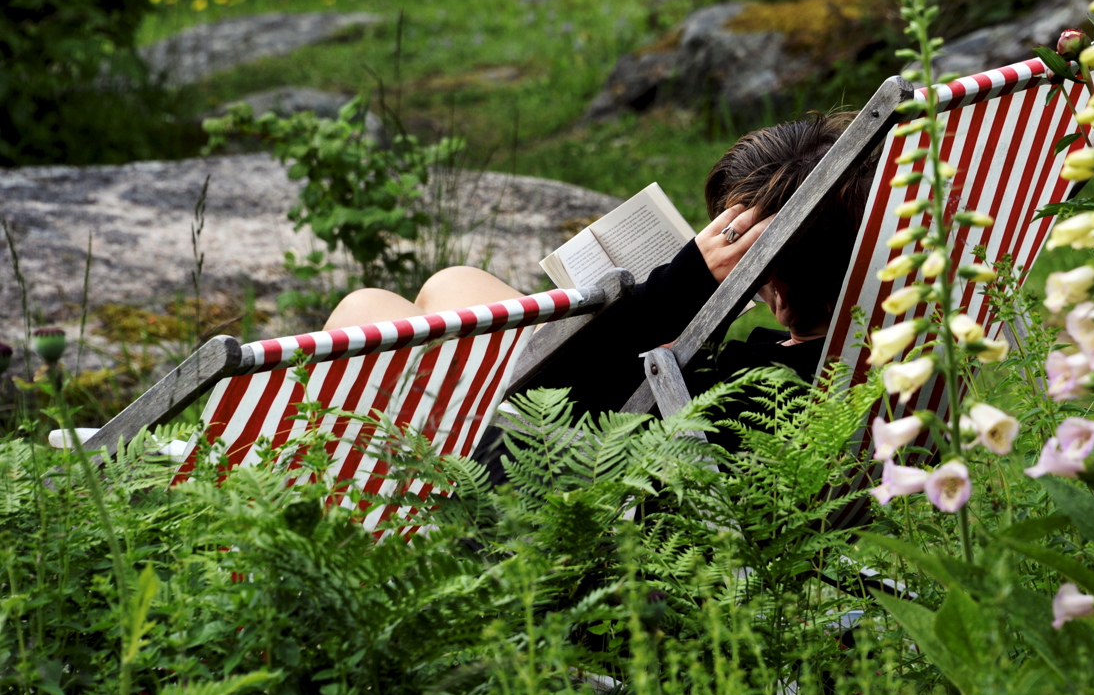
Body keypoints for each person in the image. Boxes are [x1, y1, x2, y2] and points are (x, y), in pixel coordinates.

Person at [323, 112, 872, 454]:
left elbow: (550, 399)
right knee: (454, 281)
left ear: (771, 267)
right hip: (619, 416)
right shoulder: (887, 341)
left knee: (364, 309)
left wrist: (684, 286)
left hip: (580, 476)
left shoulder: (767, 390)